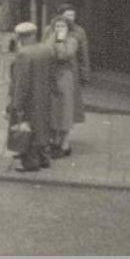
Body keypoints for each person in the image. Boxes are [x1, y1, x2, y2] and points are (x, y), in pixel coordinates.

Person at [7, 21, 56, 172]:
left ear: (20, 37)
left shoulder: (23, 54)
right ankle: (44, 159)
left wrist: (17, 105)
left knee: (27, 130)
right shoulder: (46, 49)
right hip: (44, 97)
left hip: (29, 100)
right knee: (42, 128)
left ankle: (30, 163)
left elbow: (22, 83)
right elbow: (52, 74)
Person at [44, 15, 84, 159]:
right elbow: (46, 51)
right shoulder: (50, 38)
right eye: (57, 26)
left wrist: (60, 40)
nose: (59, 29)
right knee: (54, 110)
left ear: (68, 28)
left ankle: (65, 144)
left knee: (65, 111)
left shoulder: (72, 40)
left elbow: (64, 55)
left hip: (65, 77)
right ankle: (55, 140)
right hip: (52, 77)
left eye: (63, 26)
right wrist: (54, 39)